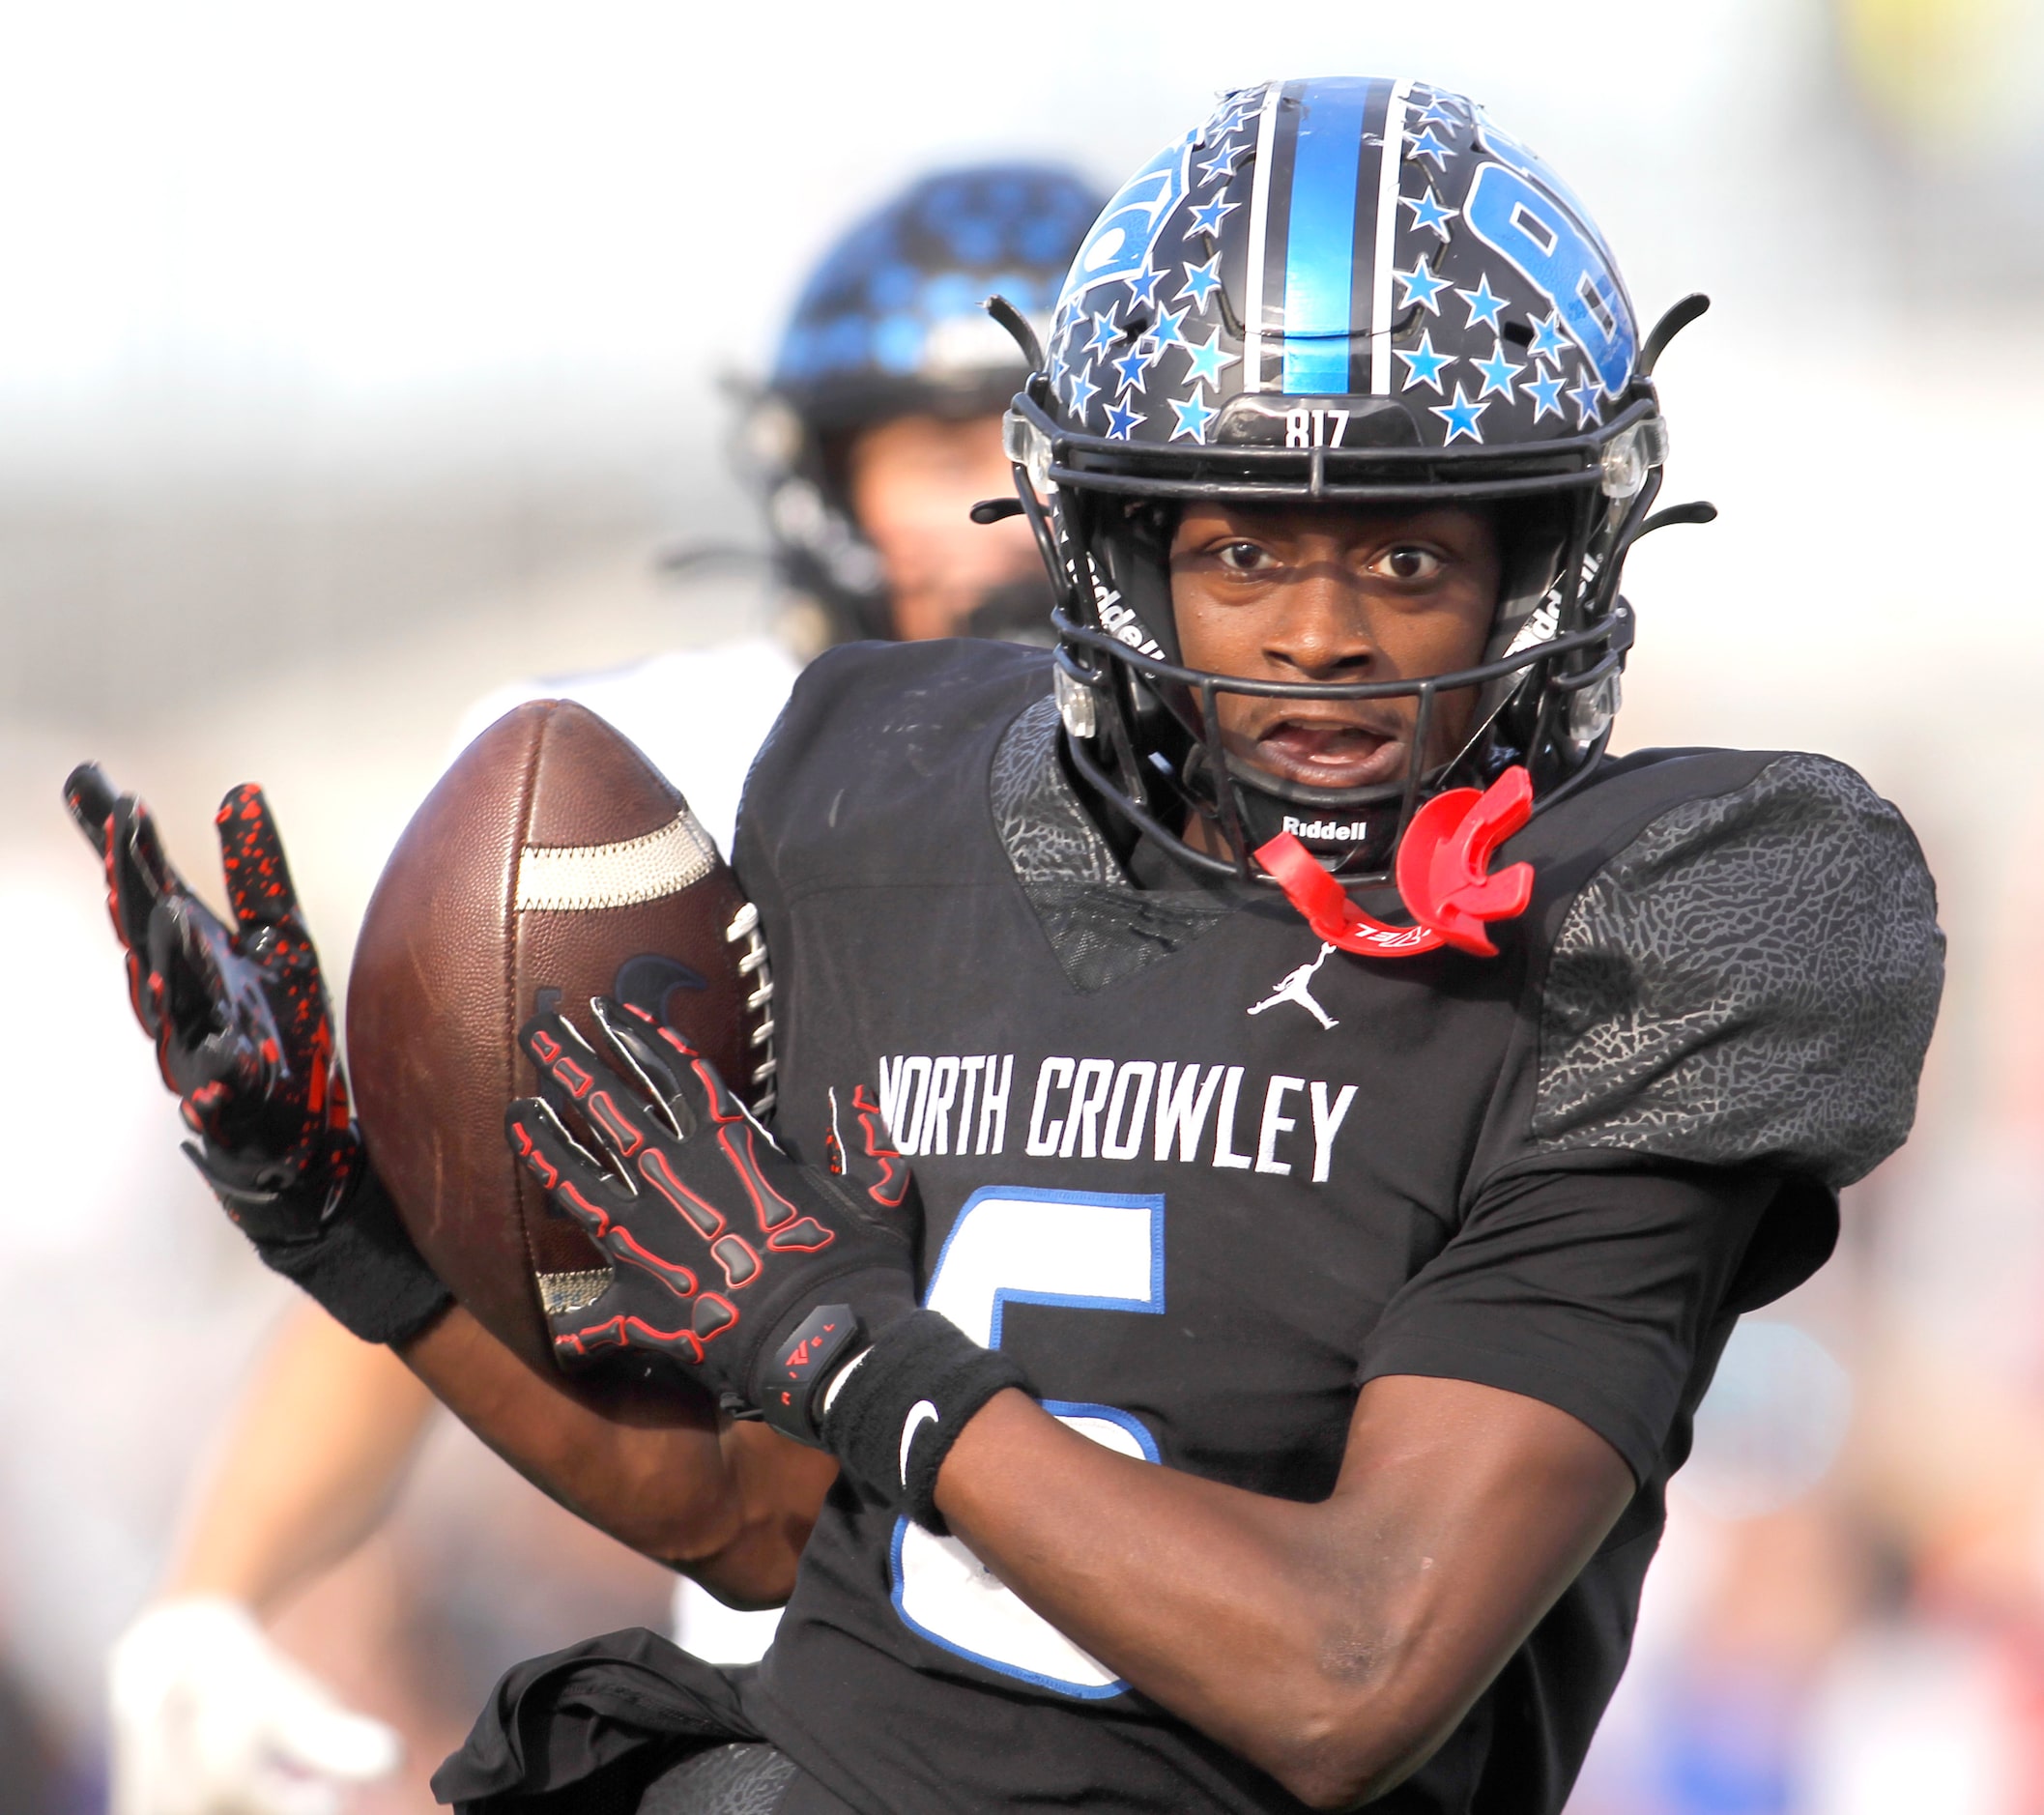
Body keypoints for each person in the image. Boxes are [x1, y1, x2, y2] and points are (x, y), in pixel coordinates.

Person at [71, 79, 1945, 1814]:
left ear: (1541, 562)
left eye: (1400, 556)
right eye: (1233, 550)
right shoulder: (886, 798)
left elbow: (1350, 1668)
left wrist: (845, 1349)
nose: (1313, 634)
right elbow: (744, 1520)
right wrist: (361, 1246)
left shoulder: (1652, 931)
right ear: (1112, 554)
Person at [101, 159, 1102, 1815]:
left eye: (1036, 436)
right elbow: (463, 1236)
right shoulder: (653, 780)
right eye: (944, 446)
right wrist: (215, 1586)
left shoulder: (1267, 798)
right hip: (821, 1688)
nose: (1001, 503)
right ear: (820, 481)